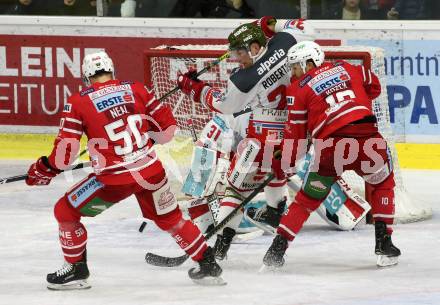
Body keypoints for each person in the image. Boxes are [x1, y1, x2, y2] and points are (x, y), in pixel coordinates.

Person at [25, 51, 224, 290]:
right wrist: (143, 144)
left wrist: (43, 168)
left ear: (86, 77)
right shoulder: (137, 88)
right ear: (112, 71)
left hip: (114, 182)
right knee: (171, 219)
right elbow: (168, 129)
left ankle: (77, 270)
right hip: (151, 174)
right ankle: (208, 264)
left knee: (65, 211)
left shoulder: (78, 101)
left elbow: (63, 156)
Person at [177, 17, 318, 260]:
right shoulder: (285, 42)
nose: (236, 59)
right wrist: (268, 23)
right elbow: (308, 28)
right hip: (295, 140)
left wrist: (195, 89)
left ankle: (221, 247)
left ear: (254, 47)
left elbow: (224, 105)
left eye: (240, 52)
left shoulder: (243, 80)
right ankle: (275, 210)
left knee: (235, 191)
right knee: (277, 171)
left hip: (261, 140)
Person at [264, 41, 401, 269]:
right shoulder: (348, 67)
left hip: (331, 147)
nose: (293, 73)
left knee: (308, 198)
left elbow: (296, 138)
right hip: (366, 139)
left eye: (295, 67)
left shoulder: (298, 90)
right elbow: (374, 87)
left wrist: (285, 163)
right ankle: (384, 243)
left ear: (309, 62)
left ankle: (277, 249)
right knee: (383, 183)